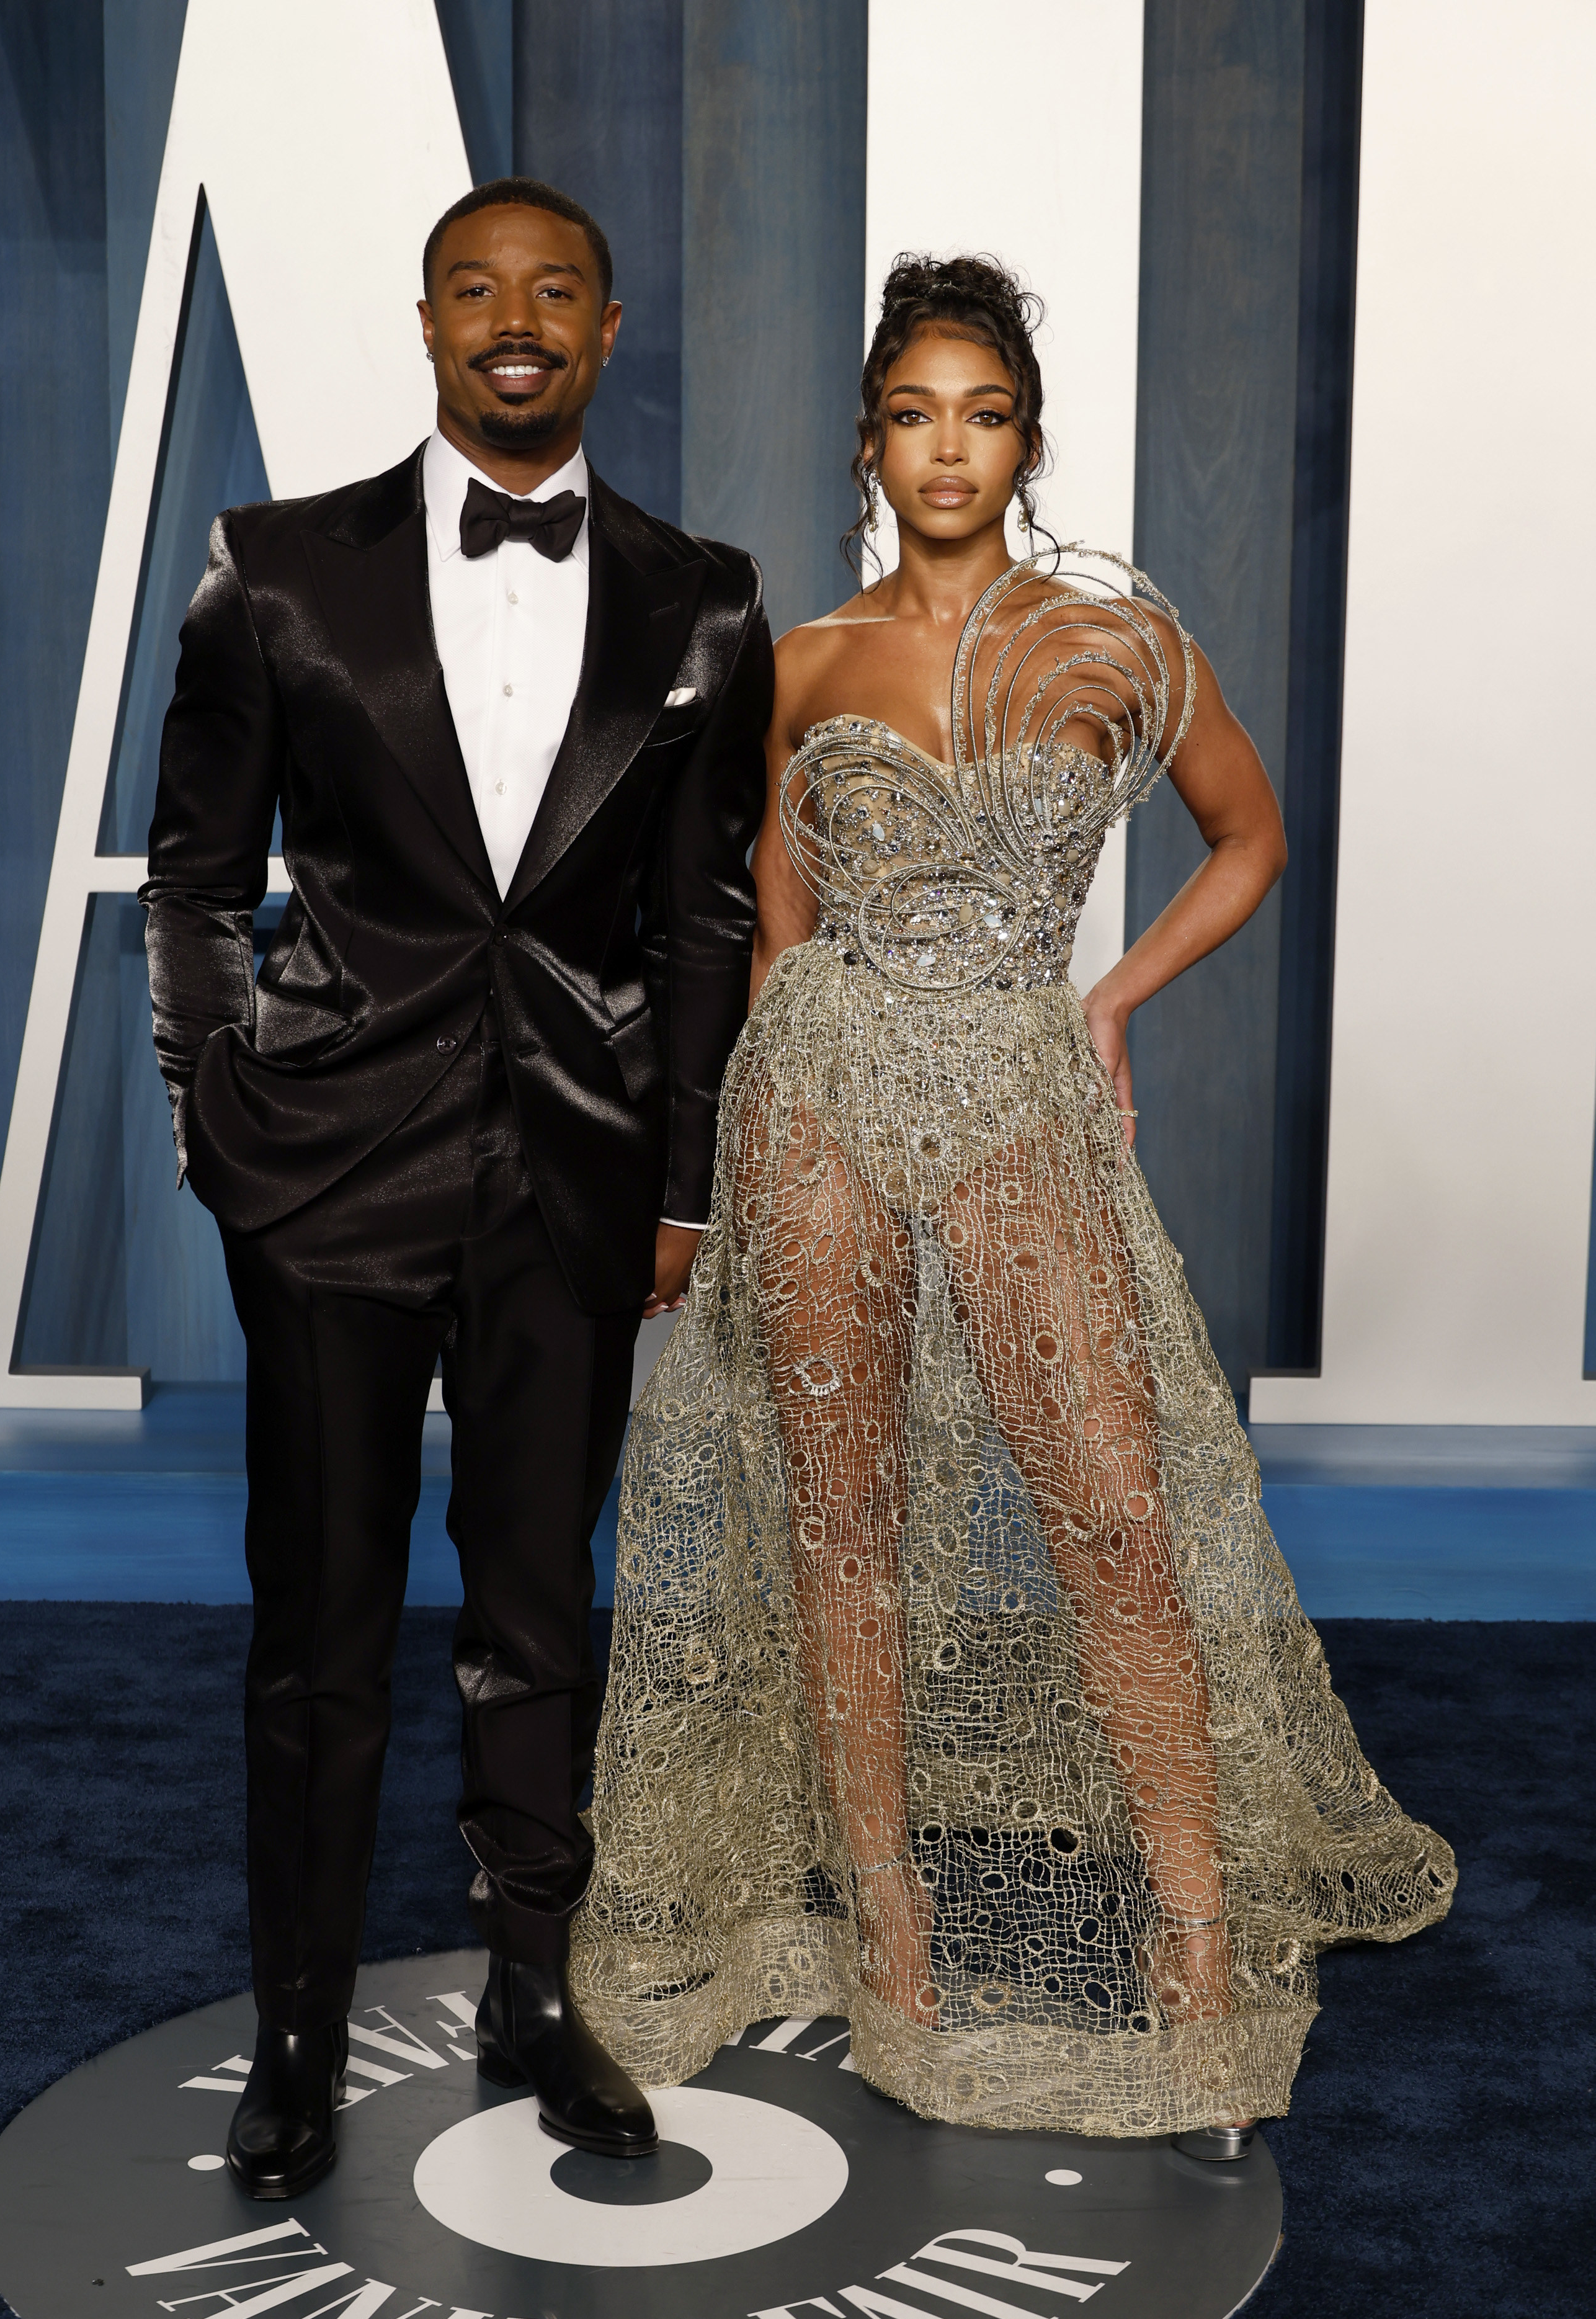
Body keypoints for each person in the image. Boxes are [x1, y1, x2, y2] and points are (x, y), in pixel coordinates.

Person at [574, 256, 1453, 2150]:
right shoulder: (800, 659)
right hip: (820, 1105)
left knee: (1118, 1516)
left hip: (1019, 1106)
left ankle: (1198, 1948)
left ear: (1027, 438)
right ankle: (884, 1927)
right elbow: (767, 930)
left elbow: (1253, 835)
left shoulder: (1117, 641)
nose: (946, 446)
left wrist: (1113, 1003)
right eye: (913, 413)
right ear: (871, 443)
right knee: (844, 1524)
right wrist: (714, 1172)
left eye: (981, 411)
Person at [142, 176, 772, 2198]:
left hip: (574, 1178)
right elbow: (191, 877)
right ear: (426, 324)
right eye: (479, 292)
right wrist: (211, 1112)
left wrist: (681, 1179)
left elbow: (703, 923)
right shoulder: (272, 570)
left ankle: (530, 1995)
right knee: (315, 1626)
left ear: (608, 328)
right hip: (326, 1170)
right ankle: (302, 2039)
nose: (519, 323)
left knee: (535, 1615)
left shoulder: (704, 597)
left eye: (558, 292)